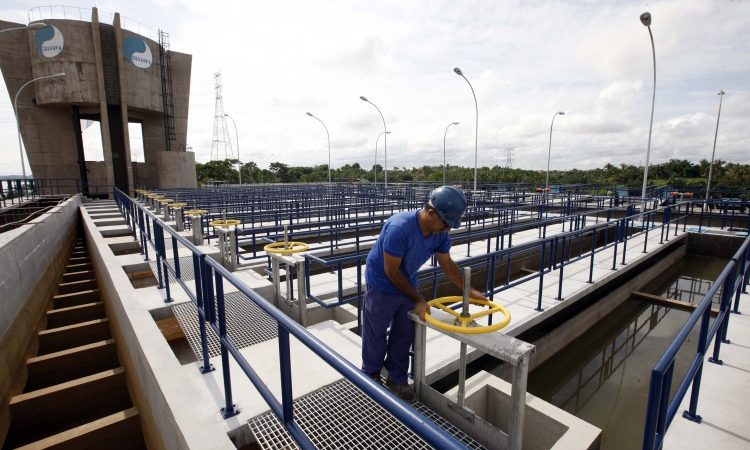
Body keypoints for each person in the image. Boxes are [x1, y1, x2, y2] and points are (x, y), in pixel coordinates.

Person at [361, 186, 487, 401]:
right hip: (381, 283)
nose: (447, 230)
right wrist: (418, 298)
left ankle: (397, 379)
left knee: (404, 333)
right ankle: (370, 376)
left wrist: (469, 290)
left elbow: (446, 263)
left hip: (406, 280)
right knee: (376, 333)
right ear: (430, 213)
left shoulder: (438, 232)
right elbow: (391, 271)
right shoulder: (399, 228)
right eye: (446, 224)